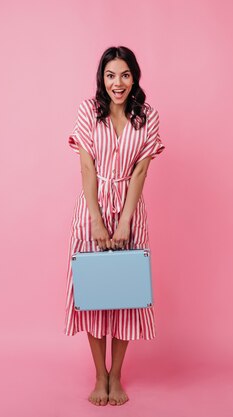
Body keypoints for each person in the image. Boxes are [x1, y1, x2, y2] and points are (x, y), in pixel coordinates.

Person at [63, 46, 165, 406]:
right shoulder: (88, 112)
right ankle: (99, 375)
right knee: (93, 294)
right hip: (92, 210)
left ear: (134, 76)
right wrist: (95, 218)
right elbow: (87, 167)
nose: (117, 83)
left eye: (124, 74)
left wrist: (124, 221)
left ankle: (117, 375)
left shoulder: (147, 117)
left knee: (125, 295)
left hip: (130, 213)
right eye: (110, 75)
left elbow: (141, 169)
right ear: (101, 79)